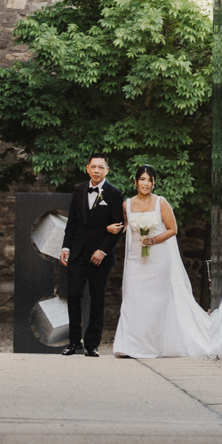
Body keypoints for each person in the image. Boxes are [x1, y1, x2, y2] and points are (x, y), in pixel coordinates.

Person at [113, 165, 215, 358]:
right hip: (136, 259)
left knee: (157, 301)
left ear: (154, 183)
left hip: (158, 259)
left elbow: (172, 229)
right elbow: (124, 227)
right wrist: (111, 228)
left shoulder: (161, 202)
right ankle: (130, 345)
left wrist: (153, 239)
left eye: (149, 180)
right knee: (133, 299)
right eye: (142, 179)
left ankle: (156, 344)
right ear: (135, 181)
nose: (146, 183)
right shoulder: (127, 205)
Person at [59, 153, 125, 356]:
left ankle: (92, 344)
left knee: (97, 299)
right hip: (77, 254)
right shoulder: (79, 190)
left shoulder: (114, 194)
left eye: (101, 167)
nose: (97, 170)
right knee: (73, 296)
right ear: (87, 168)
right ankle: (73, 342)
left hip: (100, 257)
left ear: (107, 170)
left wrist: (103, 250)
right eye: (93, 166)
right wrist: (66, 247)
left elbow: (119, 227)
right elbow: (72, 223)